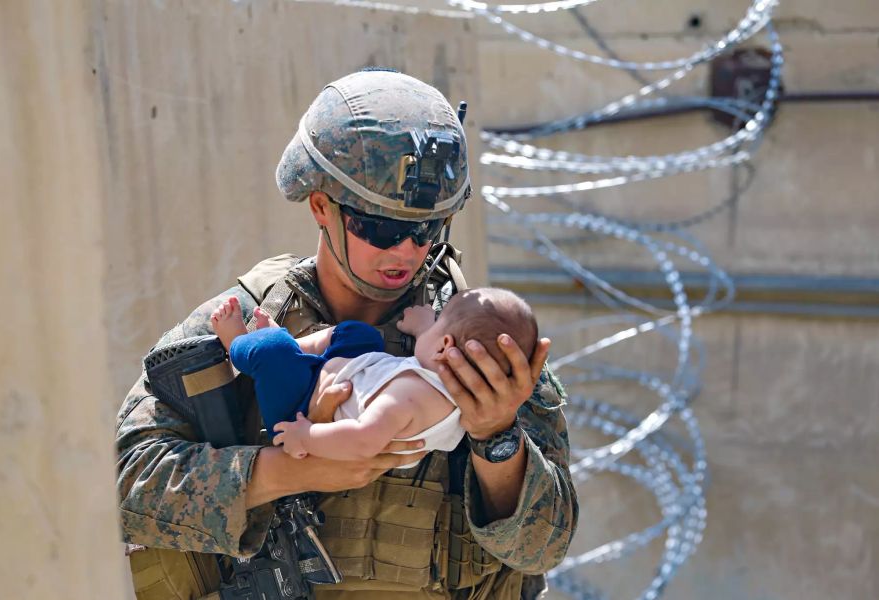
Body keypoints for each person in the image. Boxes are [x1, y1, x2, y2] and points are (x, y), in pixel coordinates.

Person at [116, 69, 578, 600]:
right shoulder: (245, 323)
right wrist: (287, 471)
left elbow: (543, 549)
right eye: (381, 228)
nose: (407, 250)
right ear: (321, 207)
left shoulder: (478, 344)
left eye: (426, 230)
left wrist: (496, 437)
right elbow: (126, 486)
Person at [209, 288, 538, 467]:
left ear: (445, 345)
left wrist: (306, 436)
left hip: (300, 407)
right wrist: (425, 327)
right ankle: (292, 348)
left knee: (270, 351)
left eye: (438, 323)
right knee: (360, 335)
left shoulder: (407, 398)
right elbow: (432, 356)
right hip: (348, 374)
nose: (432, 323)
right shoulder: (450, 391)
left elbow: (365, 440)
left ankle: (237, 342)